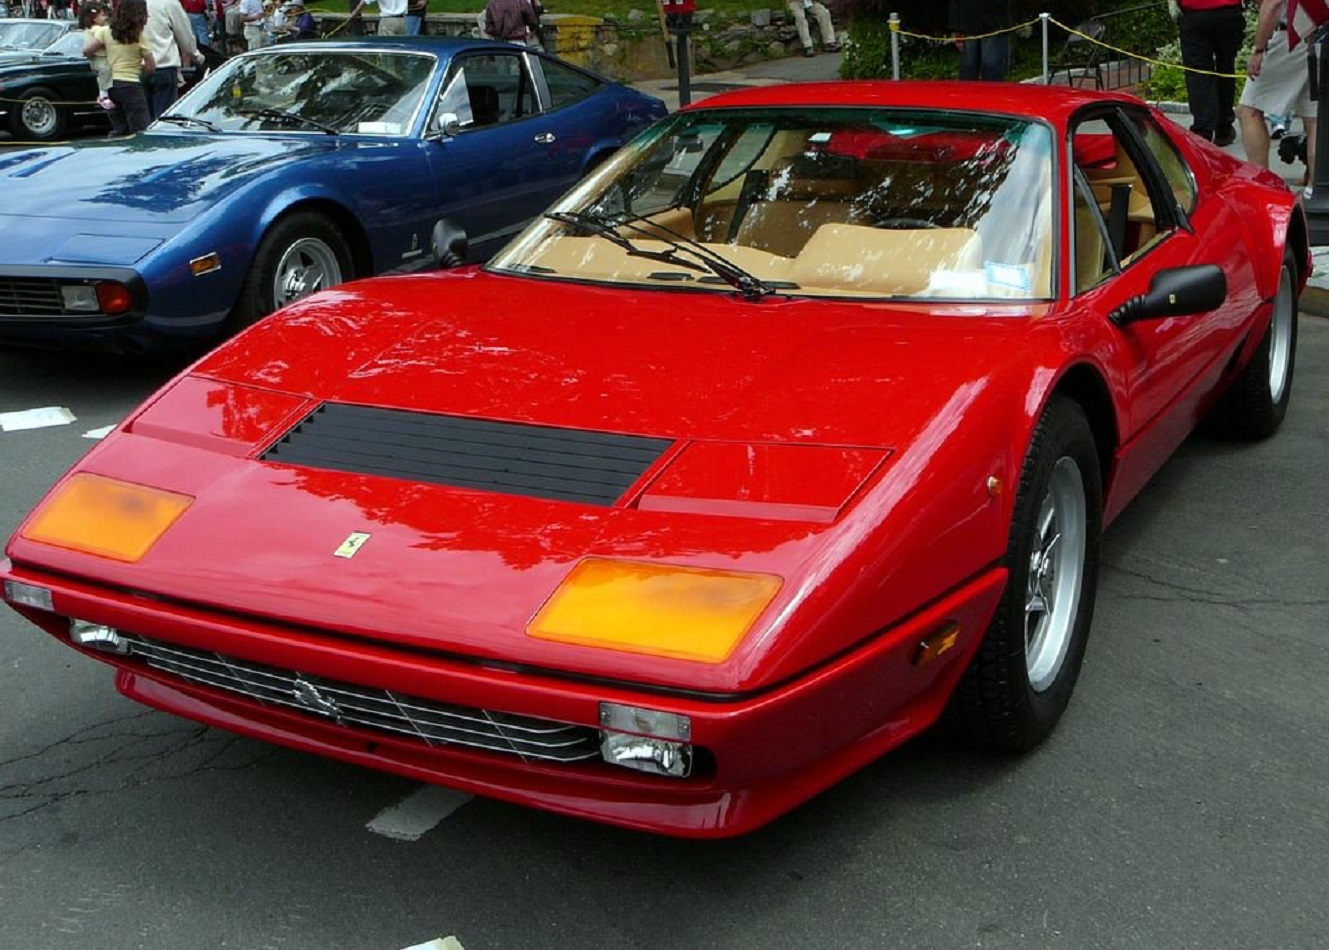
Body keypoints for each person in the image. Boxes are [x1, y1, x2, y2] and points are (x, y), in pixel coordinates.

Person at [1239, 0, 1316, 176]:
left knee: (1249, 110)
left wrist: (1258, 49)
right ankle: (1315, 188)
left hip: (1293, 35)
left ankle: (1261, 182)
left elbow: (1273, 3)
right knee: (1315, 121)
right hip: (1321, 34)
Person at [1175, 0, 1244, 145]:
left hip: (1194, 12)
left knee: (1198, 73)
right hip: (1228, 12)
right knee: (1225, 68)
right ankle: (1224, 127)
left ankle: (1203, 129)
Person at [83, 0, 155, 135]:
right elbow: (151, 68)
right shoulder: (138, 37)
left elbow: (87, 51)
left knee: (120, 128)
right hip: (131, 86)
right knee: (140, 130)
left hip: (109, 85)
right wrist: (139, 66)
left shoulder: (105, 31)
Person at [143, 0, 203, 120]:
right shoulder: (169, 3)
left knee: (142, 120)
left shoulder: (128, 3)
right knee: (163, 118)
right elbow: (184, 33)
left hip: (134, 68)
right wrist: (196, 56)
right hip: (163, 65)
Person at [947, 0, 1014, 81]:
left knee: (991, 67)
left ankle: (992, 92)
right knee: (968, 69)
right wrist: (957, 28)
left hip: (994, 23)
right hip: (968, 24)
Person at [79, 1, 114, 111]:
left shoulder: (87, 30)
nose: (105, 18)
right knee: (106, 76)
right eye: (102, 15)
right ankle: (104, 96)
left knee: (101, 79)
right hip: (102, 59)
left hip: (94, 60)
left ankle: (103, 94)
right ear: (93, 18)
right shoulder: (100, 30)